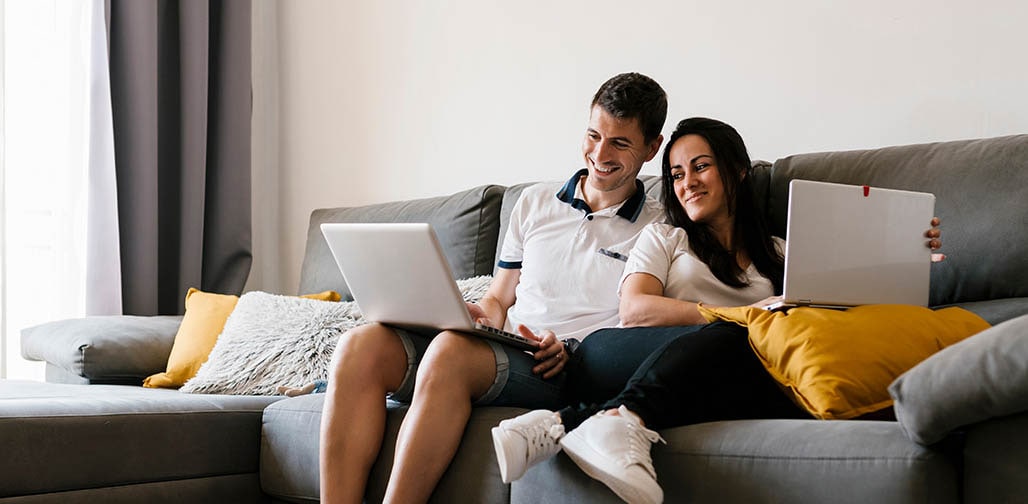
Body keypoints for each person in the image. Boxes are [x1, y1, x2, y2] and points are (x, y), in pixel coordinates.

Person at [490, 117, 943, 504]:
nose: (687, 182)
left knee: (767, 365)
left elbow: (839, 313)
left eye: (701, 167)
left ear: (738, 170)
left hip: (730, 368)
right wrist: (739, 315)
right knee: (741, 337)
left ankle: (563, 425)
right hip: (618, 352)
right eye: (677, 173)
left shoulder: (782, 254)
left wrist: (908, 252)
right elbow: (636, 309)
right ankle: (616, 420)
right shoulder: (666, 238)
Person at [319, 73, 677, 504]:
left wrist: (572, 347)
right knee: (360, 346)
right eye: (593, 135)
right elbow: (500, 297)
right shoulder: (535, 203)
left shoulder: (660, 225)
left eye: (620, 143)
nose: (599, 154)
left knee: (450, 353)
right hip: (503, 347)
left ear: (652, 148)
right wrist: (477, 313)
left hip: (564, 365)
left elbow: (642, 324)